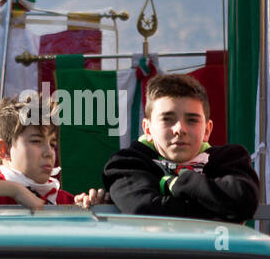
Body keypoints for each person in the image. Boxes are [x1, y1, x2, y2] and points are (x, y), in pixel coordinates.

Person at [102, 73, 258, 222]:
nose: (180, 129)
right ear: (148, 129)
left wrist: (175, 184)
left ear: (207, 130)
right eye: (167, 119)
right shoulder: (125, 163)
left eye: (192, 120)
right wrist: (222, 210)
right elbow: (145, 211)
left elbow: (244, 202)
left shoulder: (231, 159)